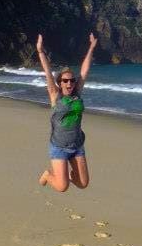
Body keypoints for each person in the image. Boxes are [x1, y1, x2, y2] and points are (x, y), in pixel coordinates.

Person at [36, 32, 97, 192]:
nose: (69, 83)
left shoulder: (77, 94)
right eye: (65, 80)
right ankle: (49, 175)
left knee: (83, 184)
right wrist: (41, 51)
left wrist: (91, 47)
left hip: (77, 145)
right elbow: (48, 72)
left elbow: (84, 70)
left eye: (71, 80)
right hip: (59, 147)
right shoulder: (56, 96)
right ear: (60, 83)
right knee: (62, 187)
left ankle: (65, 176)